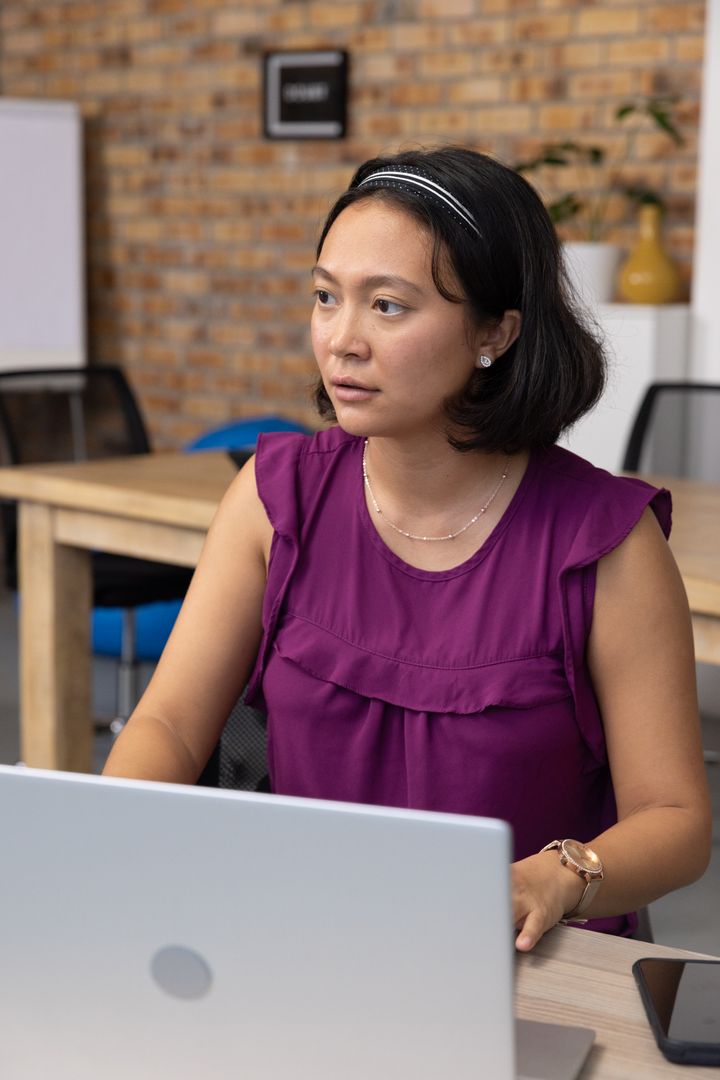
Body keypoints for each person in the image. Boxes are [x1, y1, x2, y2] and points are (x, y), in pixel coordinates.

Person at [104, 146, 711, 951]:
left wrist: (562, 875)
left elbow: (675, 821)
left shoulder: (607, 542)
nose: (342, 340)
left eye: (387, 306)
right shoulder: (273, 496)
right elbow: (174, 727)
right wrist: (108, 845)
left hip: (527, 966)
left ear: (496, 331)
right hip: (300, 941)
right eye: (326, 297)